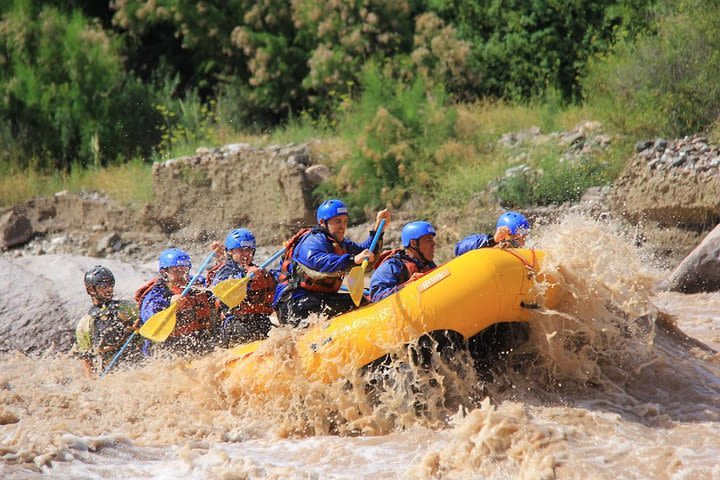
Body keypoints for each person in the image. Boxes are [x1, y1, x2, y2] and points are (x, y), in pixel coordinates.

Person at [275, 199, 390, 327]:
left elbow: (368, 253)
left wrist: (378, 229)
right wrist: (352, 259)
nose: (342, 226)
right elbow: (318, 261)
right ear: (322, 222)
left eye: (345, 221)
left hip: (316, 299)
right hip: (294, 305)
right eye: (337, 221)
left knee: (367, 296)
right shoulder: (312, 240)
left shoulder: (341, 244)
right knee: (359, 302)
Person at [136, 248, 221, 356]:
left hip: (201, 340)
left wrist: (221, 261)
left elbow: (218, 287)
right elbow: (149, 318)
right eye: (176, 271)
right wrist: (169, 304)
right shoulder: (157, 293)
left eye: (184, 270)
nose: (181, 275)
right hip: (170, 347)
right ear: (164, 272)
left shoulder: (197, 283)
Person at [209, 228, 277, 347]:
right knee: (243, 333)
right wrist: (246, 278)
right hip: (235, 323)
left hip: (260, 320)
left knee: (278, 335)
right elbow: (224, 289)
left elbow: (275, 280)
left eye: (248, 250)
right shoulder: (225, 271)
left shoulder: (258, 270)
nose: (245, 254)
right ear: (230, 252)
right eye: (240, 250)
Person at [74, 265, 141, 377]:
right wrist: (91, 382)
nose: (109, 289)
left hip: (137, 359)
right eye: (103, 286)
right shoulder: (85, 324)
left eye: (110, 285)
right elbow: (86, 359)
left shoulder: (126, 307)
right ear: (91, 290)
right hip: (112, 370)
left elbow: (148, 319)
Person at [369, 221, 438, 302]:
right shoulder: (392, 265)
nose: (434, 243)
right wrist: (406, 286)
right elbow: (376, 297)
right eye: (429, 240)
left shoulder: (427, 264)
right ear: (413, 243)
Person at [454, 211, 530, 256]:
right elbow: (459, 248)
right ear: (503, 234)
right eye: (517, 233)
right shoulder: (486, 241)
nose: (522, 236)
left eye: (524, 232)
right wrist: (492, 240)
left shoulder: (527, 250)